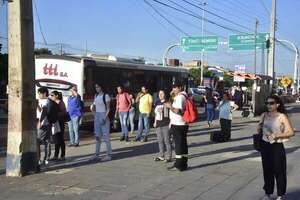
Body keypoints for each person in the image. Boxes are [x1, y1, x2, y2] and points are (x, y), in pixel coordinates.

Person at [258, 95, 295, 200]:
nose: (268, 105)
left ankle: (280, 194)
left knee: (279, 171)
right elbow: (259, 129)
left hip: (277, 146)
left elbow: (291, 132)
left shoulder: (282, 116)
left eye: (271, 103)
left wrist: (277, 135)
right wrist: (259, 125)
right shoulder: (264, 115)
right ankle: (268, 193)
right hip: (265, 145)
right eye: (267, 103)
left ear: (277, 104)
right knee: (267, 170)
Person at [165, 81, 189, 171]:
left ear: (180, 88)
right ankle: (183, 164)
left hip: (178, 124)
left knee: (178, 145)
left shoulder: (180, 97)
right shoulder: (184, 96)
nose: (173, 89)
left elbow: (178, 111)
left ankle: (178, 165)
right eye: (173, 87)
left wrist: (170, 106)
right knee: (183, 145)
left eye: (175, 87)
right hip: (182, 124)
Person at [36, 87, 59, 166]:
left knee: (38, 141)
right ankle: (45, 158)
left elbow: (44, 113)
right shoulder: (41, 101)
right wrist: (37, 105)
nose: (38, 95)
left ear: (44, 93)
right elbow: (41, 111)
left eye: (39, 93)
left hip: (44, 123)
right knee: (47, 141)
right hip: (44, 123)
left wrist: (39, 122)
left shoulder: (48, 101)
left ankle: (40, 159)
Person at [90, 84, 112, 161]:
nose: (96, 88)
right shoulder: (96, 95)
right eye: (95, 87)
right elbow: (94, 106)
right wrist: (93, 110)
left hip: (103, 115)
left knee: (106, 137)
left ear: (101, 87)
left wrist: (104, 118)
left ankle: (108, 155)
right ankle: (96, 154)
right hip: (97, 116)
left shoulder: (106, 96)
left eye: (98, 87)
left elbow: (108, 109)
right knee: (97, 137)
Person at [153, 90, 172, 162]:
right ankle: (161, 156)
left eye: (162, 94)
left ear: (165, 95)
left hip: (165, 124)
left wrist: (170, 123)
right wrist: (155, 122)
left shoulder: (167, 102)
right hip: (158, 124)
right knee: (160, 141)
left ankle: (169, 157)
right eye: (159, 94)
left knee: (167, 141)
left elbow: (170, 114)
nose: (160, 95)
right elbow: (156, 114)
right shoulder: (157, 102)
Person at [49, 91, 67, 161]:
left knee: (60, 139)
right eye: (51, 95)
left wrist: (56, 114)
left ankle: (62, 155)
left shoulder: (60, 102)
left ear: (56, 96)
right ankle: (56, 155)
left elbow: (64, 112)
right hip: (56, 122)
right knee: (57, 139)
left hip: (60, 122)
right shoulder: (53, 103)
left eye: (52, 95)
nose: (51, 96)